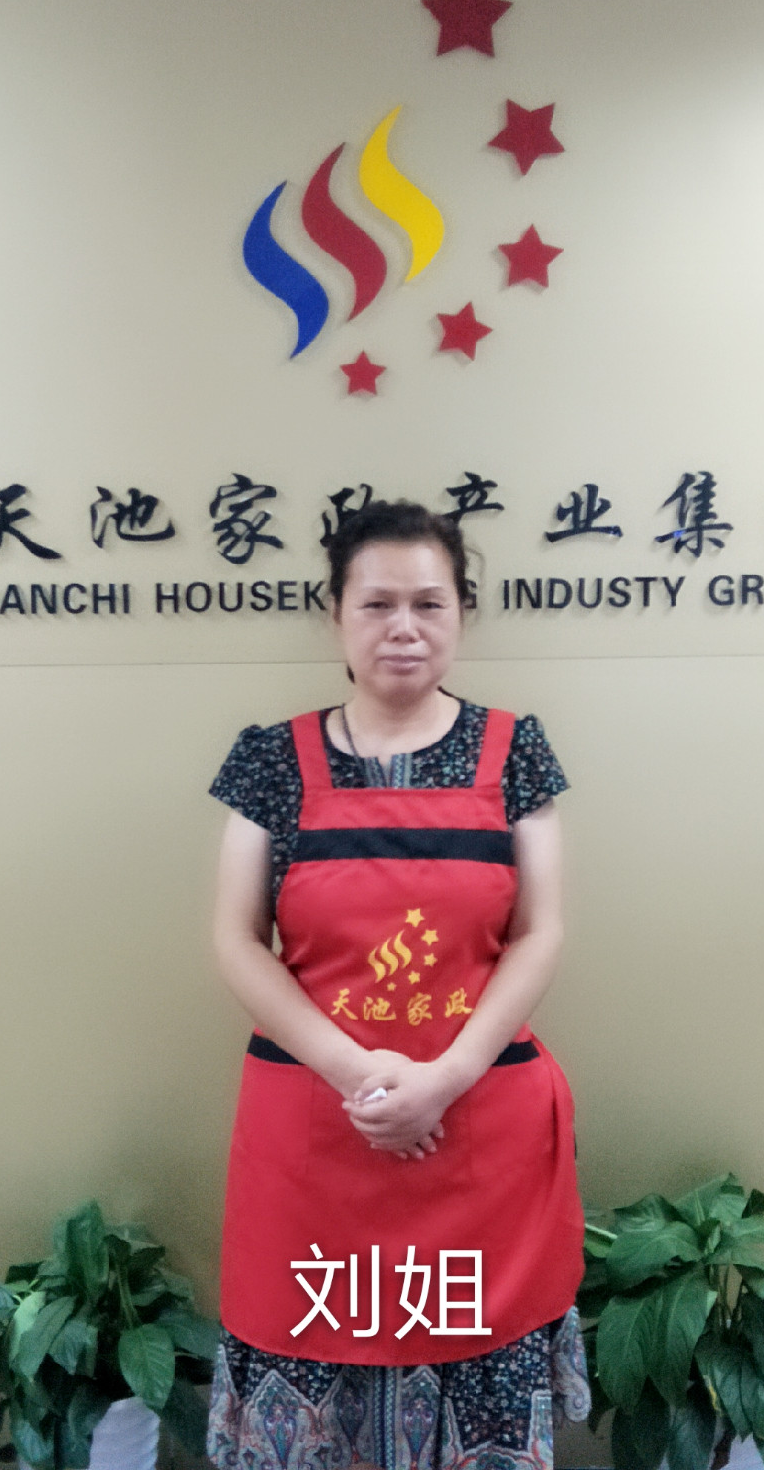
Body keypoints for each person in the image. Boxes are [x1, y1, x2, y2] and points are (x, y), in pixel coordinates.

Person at [206, 499, 589, 1470]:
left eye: (429, 602)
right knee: (311, 1350)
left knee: (479, 1354)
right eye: (377, 603)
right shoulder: (271, 760)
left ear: (463, 611)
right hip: (317, 1128)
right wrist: (362, 1076)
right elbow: (237, 939)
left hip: (479, 1124)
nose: (404, 627)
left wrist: (443, 1080)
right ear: (335, 613)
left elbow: (540, 932)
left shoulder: (516, 751)